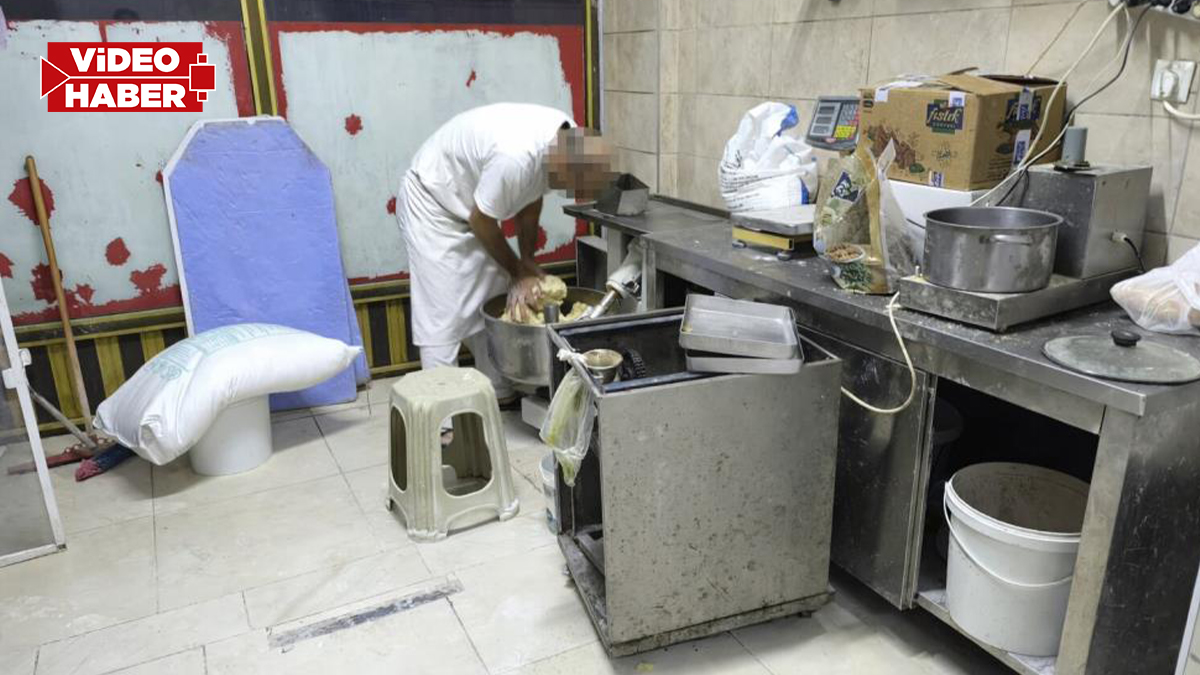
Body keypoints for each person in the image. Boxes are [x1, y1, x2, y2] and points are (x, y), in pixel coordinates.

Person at [395, 102, 614, 405]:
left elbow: (531, 200)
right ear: (561, 166)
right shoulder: (515, 158)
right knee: (440, 312)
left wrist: (527, 260)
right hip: (432, 203)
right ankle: (440, 407)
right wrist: (518, 272)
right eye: (569, 185)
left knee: (493, 293)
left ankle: (497, 390)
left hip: (470, 207)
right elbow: (481, 220)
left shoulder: (565, 136)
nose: (566, 191)